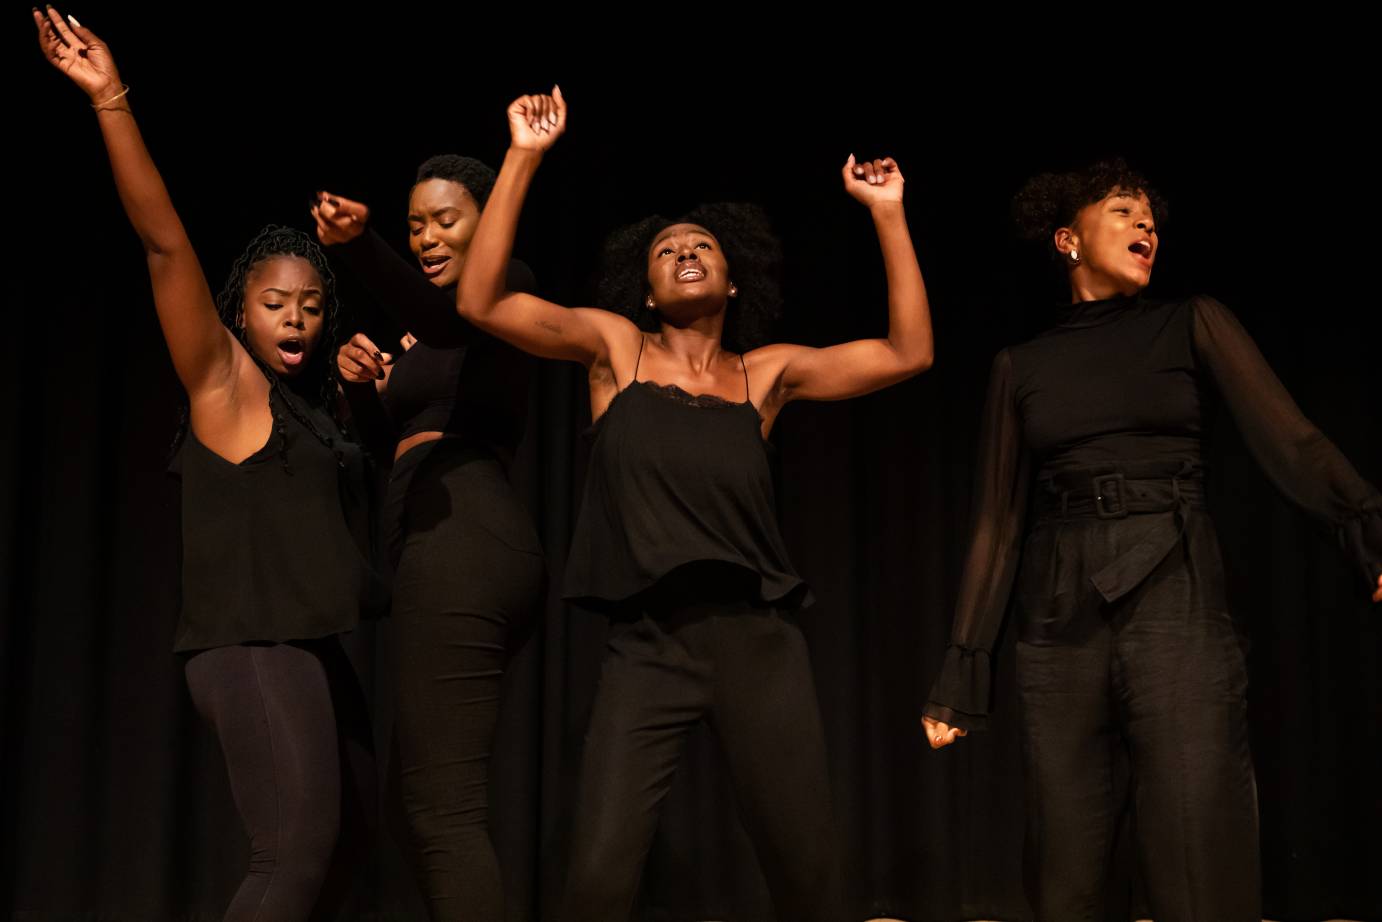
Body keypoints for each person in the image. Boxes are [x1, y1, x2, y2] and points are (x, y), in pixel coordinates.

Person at [457, 88, 934, 922]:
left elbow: (909, 353)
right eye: (667, 248)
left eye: (702, 245)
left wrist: (888, 214)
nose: (684, 251)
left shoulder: (767, 374)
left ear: (731, 279)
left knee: (808, 872)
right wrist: (524, 156)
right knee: (599, 875)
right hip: (647, 647)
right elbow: (482, 302)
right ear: (643, 288)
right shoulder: (616, 352)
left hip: (760, 644)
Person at [921, 159, 1382, 922]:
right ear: (1068, 240)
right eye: (1125, 212)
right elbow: (997, 522)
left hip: (1173, 586)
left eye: (1151, 219)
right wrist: (963, 665)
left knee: (1195, 834)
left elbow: (1288, 439)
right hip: (1058, 604)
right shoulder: (1022, 366)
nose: (1147, 227)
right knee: (1067, 850)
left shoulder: (1189, 320)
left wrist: (1365, 524)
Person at [35, 9, 377, 920]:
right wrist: (111, 98)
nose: (296, 320)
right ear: (243, 310)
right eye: (275, 303)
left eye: (310, 305)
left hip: (306, 648)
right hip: (250, 646)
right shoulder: (222, 378)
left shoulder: (318, 410)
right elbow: (163, 245)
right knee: (290, 854)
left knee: (354, 845)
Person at [311, 157, 545, 922]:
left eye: (446, 220)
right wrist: (358, 387)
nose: (427, 237)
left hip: (465, 532)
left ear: (486, 220)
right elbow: (390, 449)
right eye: (415, 225)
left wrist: (360, 245)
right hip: (431, 532)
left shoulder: (504, 285)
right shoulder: (425, 328)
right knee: (417, 807)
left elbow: (453, 318)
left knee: (443, 810)